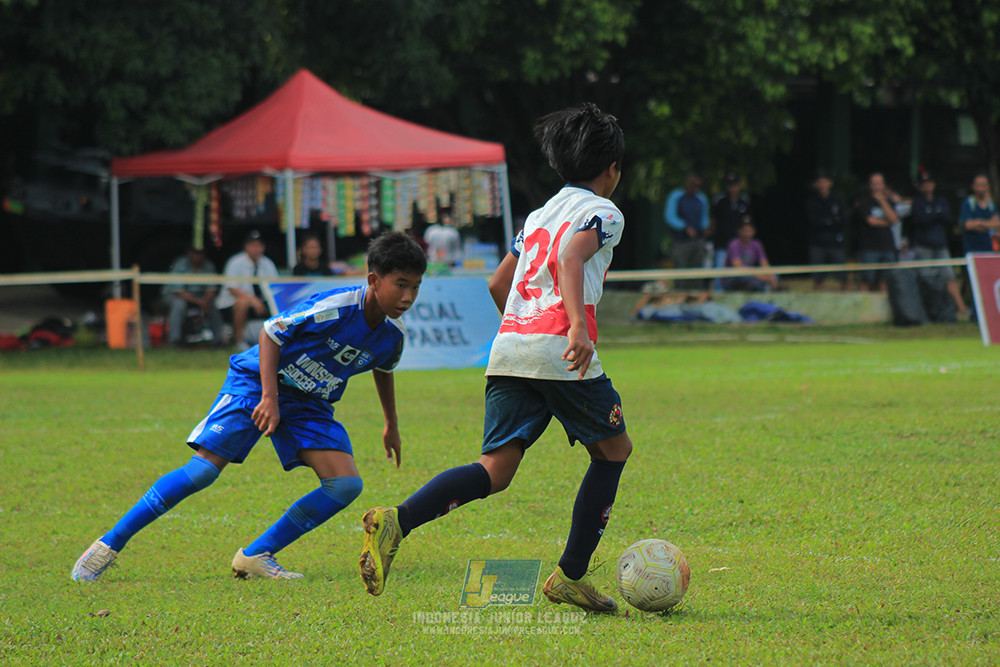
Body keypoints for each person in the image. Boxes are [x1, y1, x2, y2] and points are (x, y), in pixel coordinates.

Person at [358, 103, 631, 613]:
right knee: (614, 452)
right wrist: (571, 326)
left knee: (496, 469)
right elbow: (572, 257)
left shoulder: (538, 215)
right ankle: (569, 576)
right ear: (611, 167)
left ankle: (399, 519)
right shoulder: (605, 213)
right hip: (560, 350)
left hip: (510, 349)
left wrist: (527, 330)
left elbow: (498, 283)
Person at [70, 231, 427, 582]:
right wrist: (269, 398)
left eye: (415, 287)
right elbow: (271, 332)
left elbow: (384, 368)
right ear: (373, 279)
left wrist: (390, 423)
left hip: (309, 402)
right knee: (203, 472)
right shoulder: (336, 307)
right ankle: (107, 545)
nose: (408, 296)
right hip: (257, 383)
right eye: (400, 284)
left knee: (345, 485)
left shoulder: (392, 334)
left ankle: (256, 555)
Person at [911, 170, 968, 316]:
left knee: (950, 277)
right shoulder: (917, 202)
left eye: (930, 183)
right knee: (925, 279)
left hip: (940, 245)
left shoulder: (941, 200)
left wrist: (932, 216)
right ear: (920, 186)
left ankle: (961, 309)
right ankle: (927, 311)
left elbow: (947, 218)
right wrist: (936, 215)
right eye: (924, 184)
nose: (927, 186)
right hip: (923, 246)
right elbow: (922, 219)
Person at [217, 230, 280, 350]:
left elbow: (275, 287)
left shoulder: (267, 264)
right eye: (253, 245)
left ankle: (277, 340)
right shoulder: (235, 262)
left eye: (259, 245)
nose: (256, 249)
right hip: (232, 303)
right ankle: (239, 341)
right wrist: (253, 300)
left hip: (261, 302)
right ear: (246, 247)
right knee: (242, 302)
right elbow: (232, 288)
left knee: (279, 303)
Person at [163, 245, 224, 347]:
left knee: (213, 305)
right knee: (179, 304)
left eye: (200, 253)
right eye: (195, 253)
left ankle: (219, 340)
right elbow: (178, 291)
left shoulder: (208, 266)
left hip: (200, 297)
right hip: (177, 296)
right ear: (189, 253)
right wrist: (200, 302)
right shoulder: (180, 265)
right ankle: (175, 340)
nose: (197, 256)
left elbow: (211, 289)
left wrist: (205, 301)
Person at [664, 172, 709, 290]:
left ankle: (697, 298)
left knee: (697, 272)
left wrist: (704, 228)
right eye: (694, 184)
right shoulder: (676, 196)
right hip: (681, 241)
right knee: (681, 271)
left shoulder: (701, 198)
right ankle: (679, 296)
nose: (696, 188)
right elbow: (670, 216)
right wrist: (684, 227)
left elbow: (704, 217)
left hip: (698, 240)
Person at [805, 169, 849, 290]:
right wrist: (832, 220)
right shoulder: (812, 201)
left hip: (834, 242)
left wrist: (826, 221)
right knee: (818, 273)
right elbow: (813, 221)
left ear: (830, 183)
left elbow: (843, 221)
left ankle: (845, 290)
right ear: (816, 184)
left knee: (841, 271)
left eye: (825, 181)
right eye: (820, 181)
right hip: (817, 242)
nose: (823, 184)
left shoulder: (837, 199)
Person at [855, 172, 899, 292]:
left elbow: (894, 219)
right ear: (870, 185)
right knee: (867, 280)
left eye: (879, 183)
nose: (877, 187)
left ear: (883, 185)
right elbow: (871, 221)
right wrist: (887, 222)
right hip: (870, 247)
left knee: (886, 281)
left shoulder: (889, 202)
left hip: (887, 246)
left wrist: (883, 202)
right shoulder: (864, 202)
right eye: (874, 184)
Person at [708, 171, 751, 291]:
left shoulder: (744, 201)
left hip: (739, 245)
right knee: (720, 273)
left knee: (742, 273)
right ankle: (719, 295)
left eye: (735, 184)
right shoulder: (719, 200)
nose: (733, 187)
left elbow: (747, 223)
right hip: (722, 244)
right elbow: (713, 222)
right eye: (730, 184)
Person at [722, 220, 777, 292]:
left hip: (752, 276)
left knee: (775, 274)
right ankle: (763, 288)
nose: (747, 234)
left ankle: (765, 287)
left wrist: (770, 276)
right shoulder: (734, 244)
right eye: (745, 231)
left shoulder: (757, 244)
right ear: (739, 231)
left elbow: (764, 263)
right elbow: (738, 267)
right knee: (745, 277)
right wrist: (760, 277)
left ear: (754, 231)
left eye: (749, 231)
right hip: (734, 278)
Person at [959, 173, 1000, 255]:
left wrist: (978, 222)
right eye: (978, 185)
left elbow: (997, 224)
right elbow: (968, 225)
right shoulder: (968, 203)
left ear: (988, 186)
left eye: (983, 185)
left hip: (988, 248)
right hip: (971, 249)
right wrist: (988, 224)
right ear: (973, 186)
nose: (981, 188)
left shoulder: (991, 205)